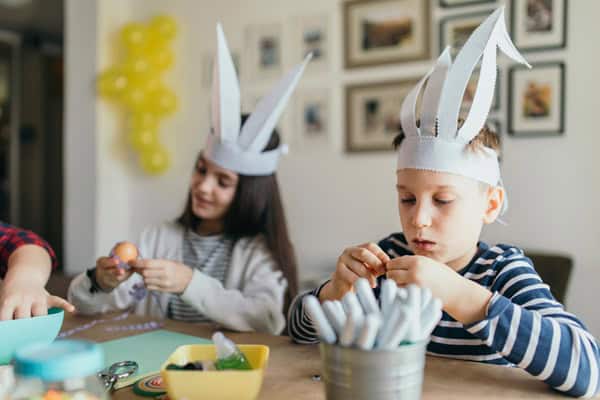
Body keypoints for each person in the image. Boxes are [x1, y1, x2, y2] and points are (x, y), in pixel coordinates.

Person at [287, 8, 600, 398]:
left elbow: (588, 369)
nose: (419, 219)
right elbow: (294, 336)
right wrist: (334, 293)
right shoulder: (387, 261)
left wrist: (457, 294)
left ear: (490, 204)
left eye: (444, 200)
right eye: (406, 198)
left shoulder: (504, 271)